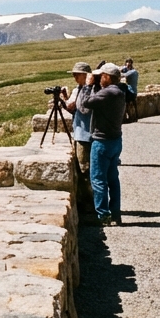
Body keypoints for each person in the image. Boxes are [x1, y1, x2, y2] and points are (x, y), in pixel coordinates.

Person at [79, 62, 127, 226]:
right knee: (113, 178)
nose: (99, 79)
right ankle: (116, 213)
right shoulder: (119, 92)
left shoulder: (108, 93)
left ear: (108, 77)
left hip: (102, 142)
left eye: (101, 76)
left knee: (98, 179)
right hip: (115, 140)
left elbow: (85, 103)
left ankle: (103, 216)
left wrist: (87, 85)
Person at [60, 62, 95, 211]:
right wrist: (64, 99)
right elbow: (72, 108)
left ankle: (89, 205)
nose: (74, 77)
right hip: (79, 132)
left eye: (77, 74)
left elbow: (84, 109)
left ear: (86, 75)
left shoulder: (91, 90)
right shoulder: (78, 89)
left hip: (86, 134)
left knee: (85, 169)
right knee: (82, 169)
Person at [120, 58, 139, 123]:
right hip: (133, 91)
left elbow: (122, 75)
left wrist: (120, 70)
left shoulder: (132, 72)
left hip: (132, 92)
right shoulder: (133, 71)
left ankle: (123, 117)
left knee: (121, 99)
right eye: (127, 63)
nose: (128, 65)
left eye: (129, 63)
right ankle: (133, 117)